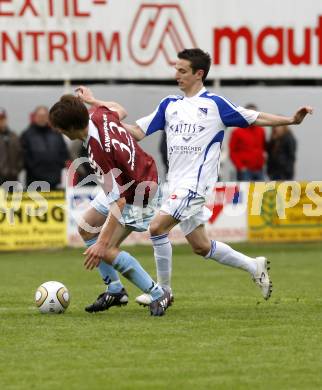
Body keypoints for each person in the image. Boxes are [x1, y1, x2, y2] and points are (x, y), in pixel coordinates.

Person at [120, 48, 312, 306]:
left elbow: (256, 118)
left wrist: (291, 120)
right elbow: (138, 132)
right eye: (176, 69)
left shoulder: (215, 105)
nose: (176, 75)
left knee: (156, 228)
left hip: (195, 186)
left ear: (199, 74)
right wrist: (105, 122)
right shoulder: (169, 105)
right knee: (201, 246)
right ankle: (254, 266)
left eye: (182, 71)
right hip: (175, 184)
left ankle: (162, 291)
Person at [49, 90, 171, 316]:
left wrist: (102, 244)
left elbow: (119, 200)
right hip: (127, 181)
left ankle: (158, 293)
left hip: (139, 192)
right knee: (86, 228)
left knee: (107, 249)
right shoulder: (98, 114)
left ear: (71, 129)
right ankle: (115, 290)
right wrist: (93, 101)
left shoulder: (97, 151)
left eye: (60, 129)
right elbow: (121, 110)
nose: (59, 132)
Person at [21, 106, 69, 190]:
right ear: (35, 117)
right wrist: (33, 168)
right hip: (34, 181)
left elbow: (64, 153)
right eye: (40, 116)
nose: (42, 118)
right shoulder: (27, 135)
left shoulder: (56, 133)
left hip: (55, 180)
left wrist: (59, 166)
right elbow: (23, 156)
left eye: (44, 116)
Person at [229, 104, 266, 181]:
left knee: (260, 192)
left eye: (255, 114)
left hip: (259, 169)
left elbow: (263, 148)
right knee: (245, 192)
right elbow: (232, 152)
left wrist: (262, 162)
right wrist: (240, 167)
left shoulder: (261, 130)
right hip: (245, 171)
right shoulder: (237, 132)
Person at [0, 107, 24, 188]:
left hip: (13, 178)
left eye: (3, 118)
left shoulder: (13, 136)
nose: (1, 121)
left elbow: (20, 154)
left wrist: (17, 170)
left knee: (12, 199)